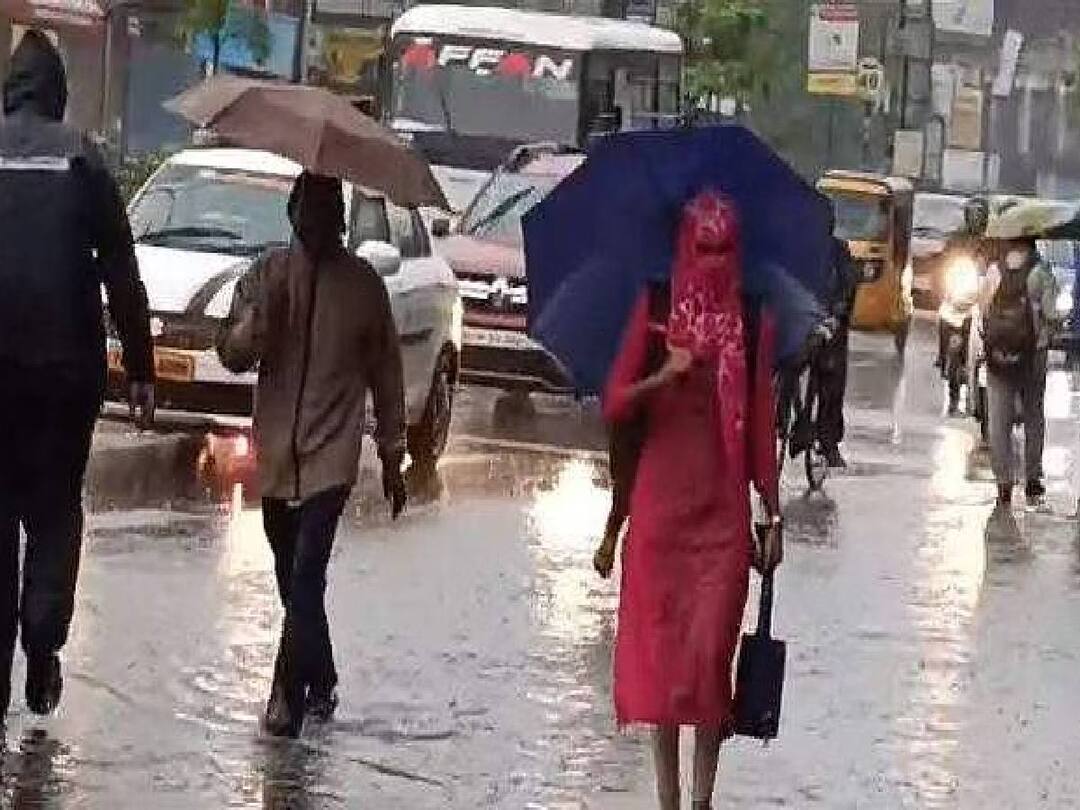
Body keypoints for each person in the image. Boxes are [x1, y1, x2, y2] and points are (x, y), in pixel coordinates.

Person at [602, 192, 781, 810]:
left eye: (723, 251)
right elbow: (615, 403)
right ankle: (668, 801)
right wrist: (664, 375)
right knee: (660, 665)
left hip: (723, 519)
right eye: (702, 249)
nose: (712, 262)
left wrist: (772, 512)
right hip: (660, 517)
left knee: (709, 662)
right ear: (683, 245)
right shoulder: (653, 310)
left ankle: (703, 798)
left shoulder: (754, 321)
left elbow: (762, 428)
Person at [217, 172, 408, 738]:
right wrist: (257, 324)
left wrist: (394, 455)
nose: (315, 221)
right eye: (307, 209)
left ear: (339, 219)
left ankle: (286, 693)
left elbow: (388, 374)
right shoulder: (267, 275)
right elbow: (229, 353)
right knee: (288, 578)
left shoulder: (363, 286)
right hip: (276, 453)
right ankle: (321, 675)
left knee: (306, 576)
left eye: (327, 210)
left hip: (331, 456)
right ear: (292, 213)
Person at [0, 30, 155, 719]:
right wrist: (142, 372)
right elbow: (122, 273)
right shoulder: (81, 160)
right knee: (55, 511)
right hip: (66, 377)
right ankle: (42, 637)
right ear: (58, 93)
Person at [981, 237, 1058, 509]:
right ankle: (1033, 481)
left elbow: (983, 311)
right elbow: (1051, 314)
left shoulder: (993, 271)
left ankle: (1003, 483)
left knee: (998, 420)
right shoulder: (1041, 272)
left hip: (999, 355)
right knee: (1034, 416)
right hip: (1033, 355)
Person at [815, 216, 860, 469]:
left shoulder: (839, 251)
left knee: (832, 380)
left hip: (831, 320)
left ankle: (829, 441)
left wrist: (837, 312)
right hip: (802, 319)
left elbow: (848, 286)